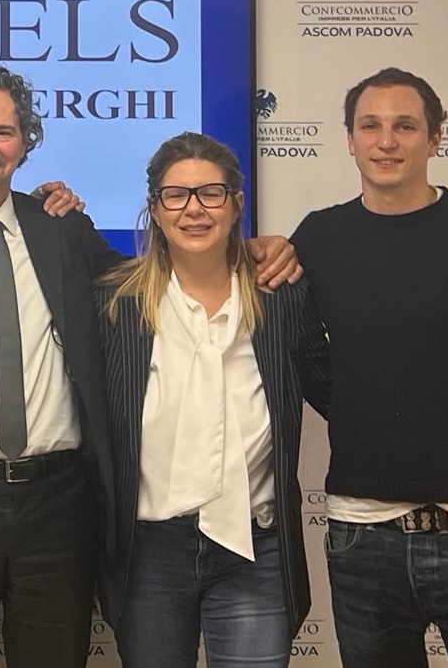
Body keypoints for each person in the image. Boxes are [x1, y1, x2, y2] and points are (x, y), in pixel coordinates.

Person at [0, 62, 300, 668]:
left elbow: (164, 277)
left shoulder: (63, 232)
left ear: (25, 143)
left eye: (4, 132)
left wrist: (257, 249)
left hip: (59, 507)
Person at [95, 132, 328, 668]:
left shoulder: (282, 296)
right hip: (149, 551)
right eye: (176, 195)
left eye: (211, 193)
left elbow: (341, 393)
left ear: (237, 203)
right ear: (155, 208)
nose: (194, 209)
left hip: (256, 548)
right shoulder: (115, 303)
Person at [291, 67, 448, 668]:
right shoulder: (319, 236)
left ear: (435, 138)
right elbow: (306, 352)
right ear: (349, 139)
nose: (386, 141)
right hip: (362, 534)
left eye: (405, 126)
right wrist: (362, 403)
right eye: (370, 126)